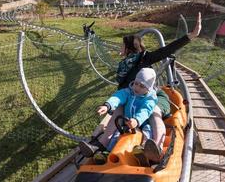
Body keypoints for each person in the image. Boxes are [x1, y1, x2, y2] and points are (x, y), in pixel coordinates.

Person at [80, 13, 202, 164]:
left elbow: (167, 50)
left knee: (153, 111)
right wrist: (108, 104)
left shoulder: (145, 59)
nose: (120, 47)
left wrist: (190, 36)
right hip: (133, 98)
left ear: (129, 48)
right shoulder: (124, 66)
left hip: (152, 96)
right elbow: (121, 94)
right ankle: (100, 144)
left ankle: (155, 146)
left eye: (122, 45)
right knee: (118, 109)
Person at [80, 68, 158, 166]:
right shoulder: (129, 92)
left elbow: (146, 110)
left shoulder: (150, 99)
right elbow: (118, 97)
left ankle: (143, 149)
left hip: (141, 124)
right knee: (117, 134)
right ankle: (107, 153)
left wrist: (137, 120)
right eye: (136, 83)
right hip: (127, 123)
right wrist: (107, 105)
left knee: (148, 130)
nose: (137, 87)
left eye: (142, 86)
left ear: (148, 89)